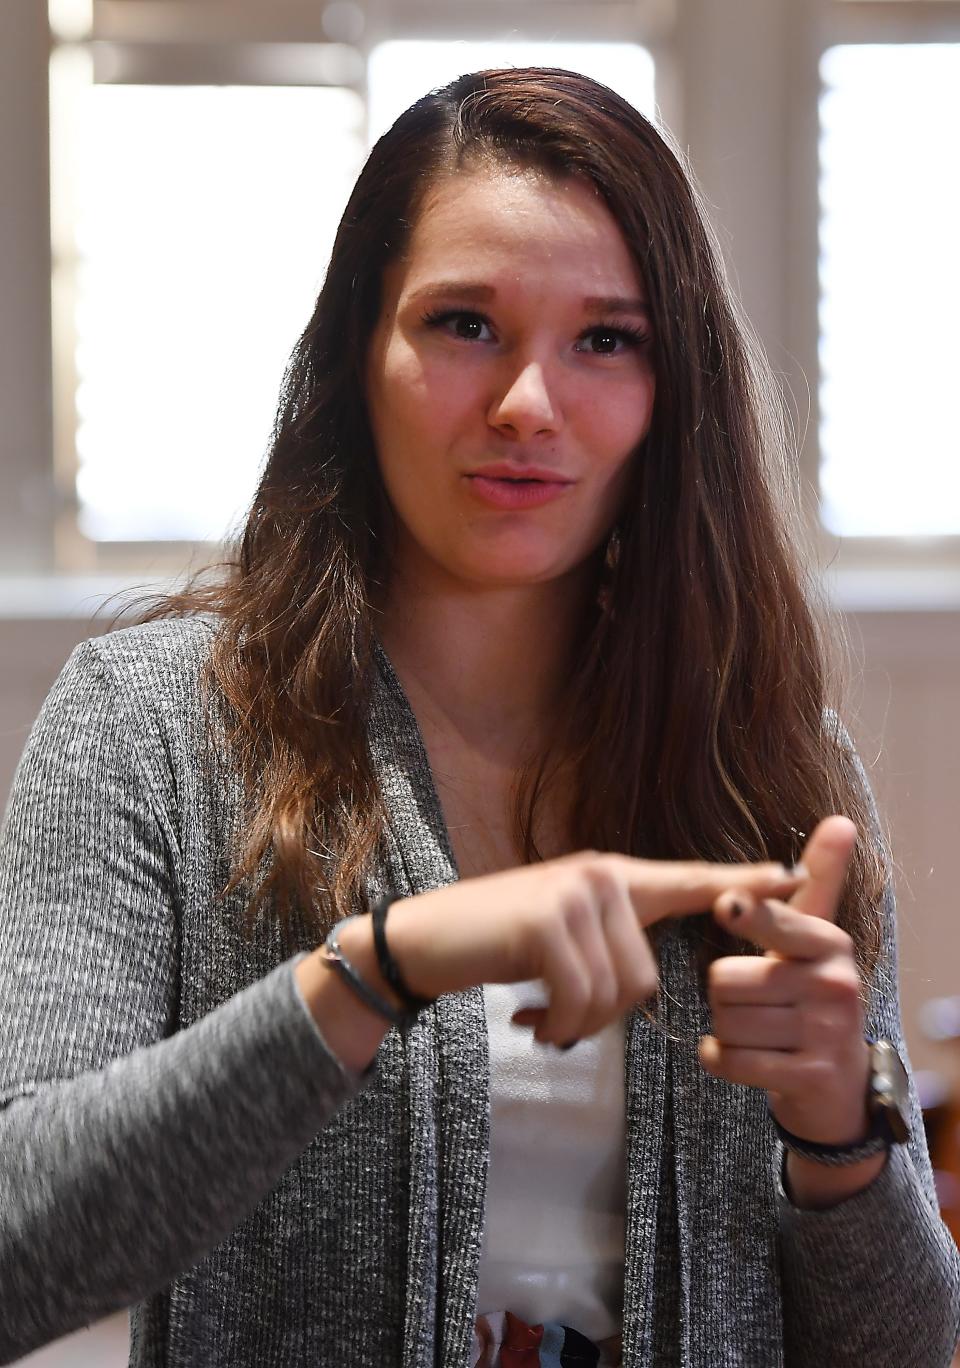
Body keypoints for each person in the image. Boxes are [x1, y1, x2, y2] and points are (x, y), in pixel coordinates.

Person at [0, 66, 957, 1368]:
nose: (528, 404)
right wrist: (375, 968)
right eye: (464, 325)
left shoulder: (772, 765)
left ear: (670, 395)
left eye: (606, 340)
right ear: (357, 353)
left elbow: (906, 1348)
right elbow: (21, 1252)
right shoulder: (153, 729)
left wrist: (846, 1131)